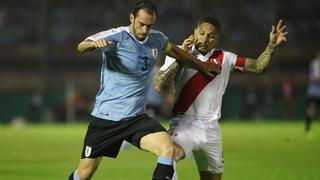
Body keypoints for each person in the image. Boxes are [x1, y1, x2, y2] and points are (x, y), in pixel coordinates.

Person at [68, 1, 220, 180]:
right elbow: (81, 46)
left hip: (136, 119)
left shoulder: (158, 39)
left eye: (149, 25)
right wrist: (93, 45)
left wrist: (201, 65)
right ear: (132, 18)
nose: (145, 30)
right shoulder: (118, 36)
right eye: (141, 24)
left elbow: (177, 52)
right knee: (85, 173)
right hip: (106, 119)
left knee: (168, 149)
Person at [155, 17, 288, 180]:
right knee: (168, 154)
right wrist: (182, 57)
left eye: (210, 36)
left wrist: (272, 45)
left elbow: (259, 67)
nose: (204, 39)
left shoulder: (226, 58)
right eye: (201, 33)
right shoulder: (177, 52)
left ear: (217, 39)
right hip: (184, 125)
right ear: (195, 32)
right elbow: (160, 85)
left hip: (211, 130)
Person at [306, 51, 320, 133]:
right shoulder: (315, 64)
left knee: (312, 108)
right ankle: (308, 128)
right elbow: (317, 78)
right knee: (312, 108)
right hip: (314, 92)